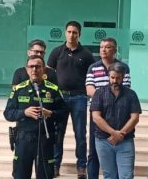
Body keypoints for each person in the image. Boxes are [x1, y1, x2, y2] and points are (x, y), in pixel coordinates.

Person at [3, 55, 66, 179]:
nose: (34, 70)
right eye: (31, 67)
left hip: (45, 139)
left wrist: (50, 113)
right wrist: (24, 112)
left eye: (38, 67)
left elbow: (64, 112)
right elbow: (8, 113)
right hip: (23, 139)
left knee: (45, 175)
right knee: (20, 175)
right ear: (27, 70)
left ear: (43, 69)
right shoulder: (19, 89)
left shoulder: (53, 89)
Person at [47, 21, 95, 178]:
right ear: (65, 32)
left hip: (79, 98)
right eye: (69, 31)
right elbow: (48, 75)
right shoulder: (56, 52)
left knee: (80, 134)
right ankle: (55, 166)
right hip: (59, 97)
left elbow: (91, 76)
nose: (72, 34)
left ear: (79, 34)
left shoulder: (87, 54)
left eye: (75, 32)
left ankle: (82, 167)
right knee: (58, 132)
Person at [85, 37, 131, 179]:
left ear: (115, 49)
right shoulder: (93, 67)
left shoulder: (123, 67)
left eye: (108, 47)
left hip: (119, 113)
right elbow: (89, 89)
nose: (103, 50)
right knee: (93, 151)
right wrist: (105, 99)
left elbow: (126, 89)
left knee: (117, 149)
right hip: (98, 112)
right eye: (101, 47)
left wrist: (105, 98)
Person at [90, 62, 141, 179]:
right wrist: (114, 133)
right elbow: (96, 117)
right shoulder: (99, 93)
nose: (114, 81)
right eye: (112, 77)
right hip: (103, 140)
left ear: (123, 77)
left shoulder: (131, 94)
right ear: (108, 76)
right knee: (109, 175)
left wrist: (120, 134)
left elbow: (135, 118)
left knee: (127, 176)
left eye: (118, 78)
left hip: (125, 141)